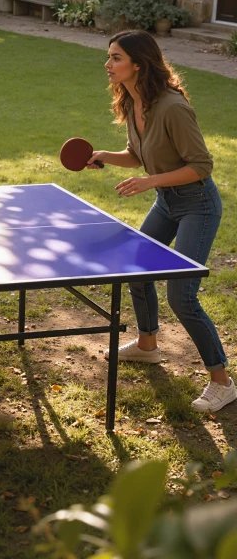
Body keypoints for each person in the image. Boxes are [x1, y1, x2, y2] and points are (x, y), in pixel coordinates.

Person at [90, 30, 234, 413]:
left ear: (138, 63)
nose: (108, 64)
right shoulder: (135, 101)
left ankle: (222, 382)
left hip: (197, 205)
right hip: (167, 202)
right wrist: (104, 154)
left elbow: (201, 166)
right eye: (109, 57)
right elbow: (138, 155)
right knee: (137, 271)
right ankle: (148, 345)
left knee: (181, 295)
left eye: (116, 57)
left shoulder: (172, 107)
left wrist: (150, 182)